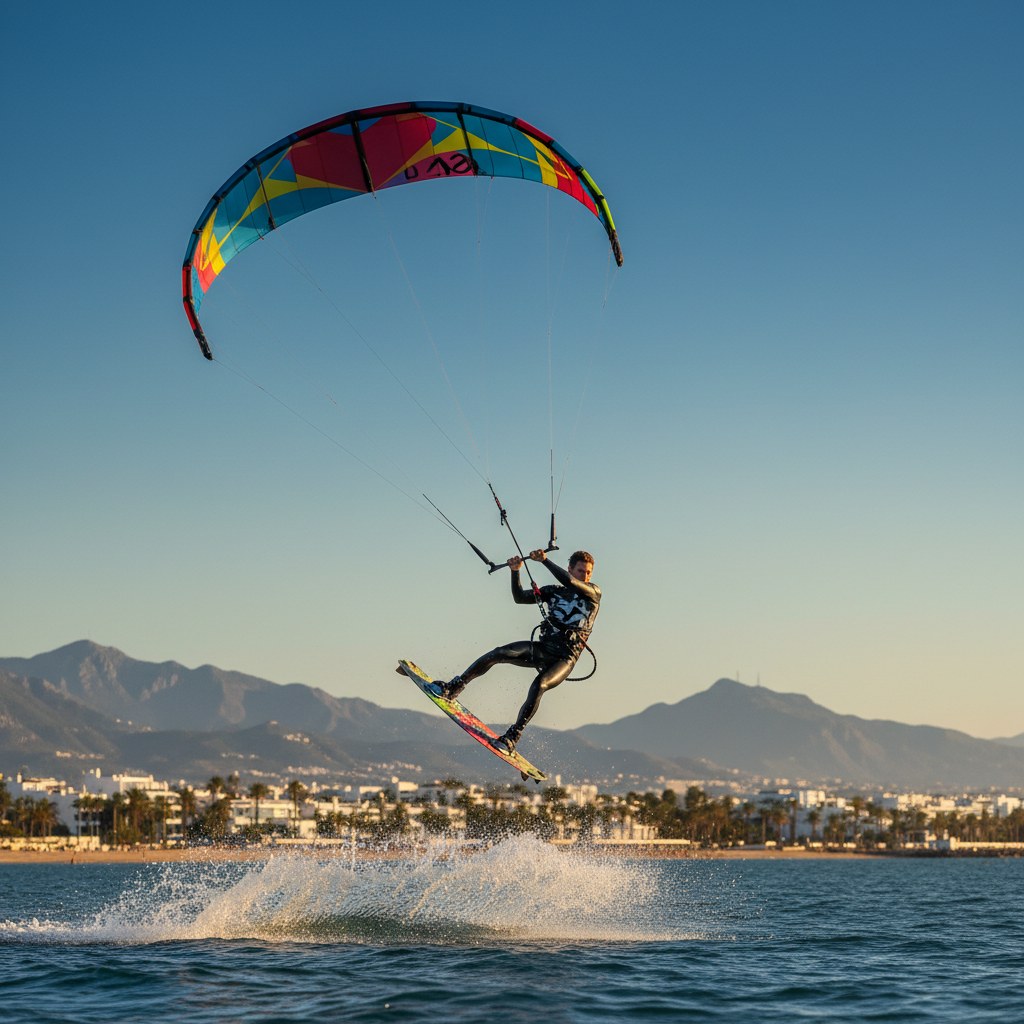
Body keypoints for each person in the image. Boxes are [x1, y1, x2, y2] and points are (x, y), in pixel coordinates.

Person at [437, 548, 601, 755]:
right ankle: (455, 687)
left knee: (539, 685)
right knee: (499, 652)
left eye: (588, 572)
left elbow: (571, 583)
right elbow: (520, 598)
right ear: (570, 568)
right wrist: (515, 571)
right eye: (580, 571)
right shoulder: (553, 591)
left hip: (564, 658)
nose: (585, 576)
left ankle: (512, 737)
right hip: (543, 649)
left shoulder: (594, 593)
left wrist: (545, 561)